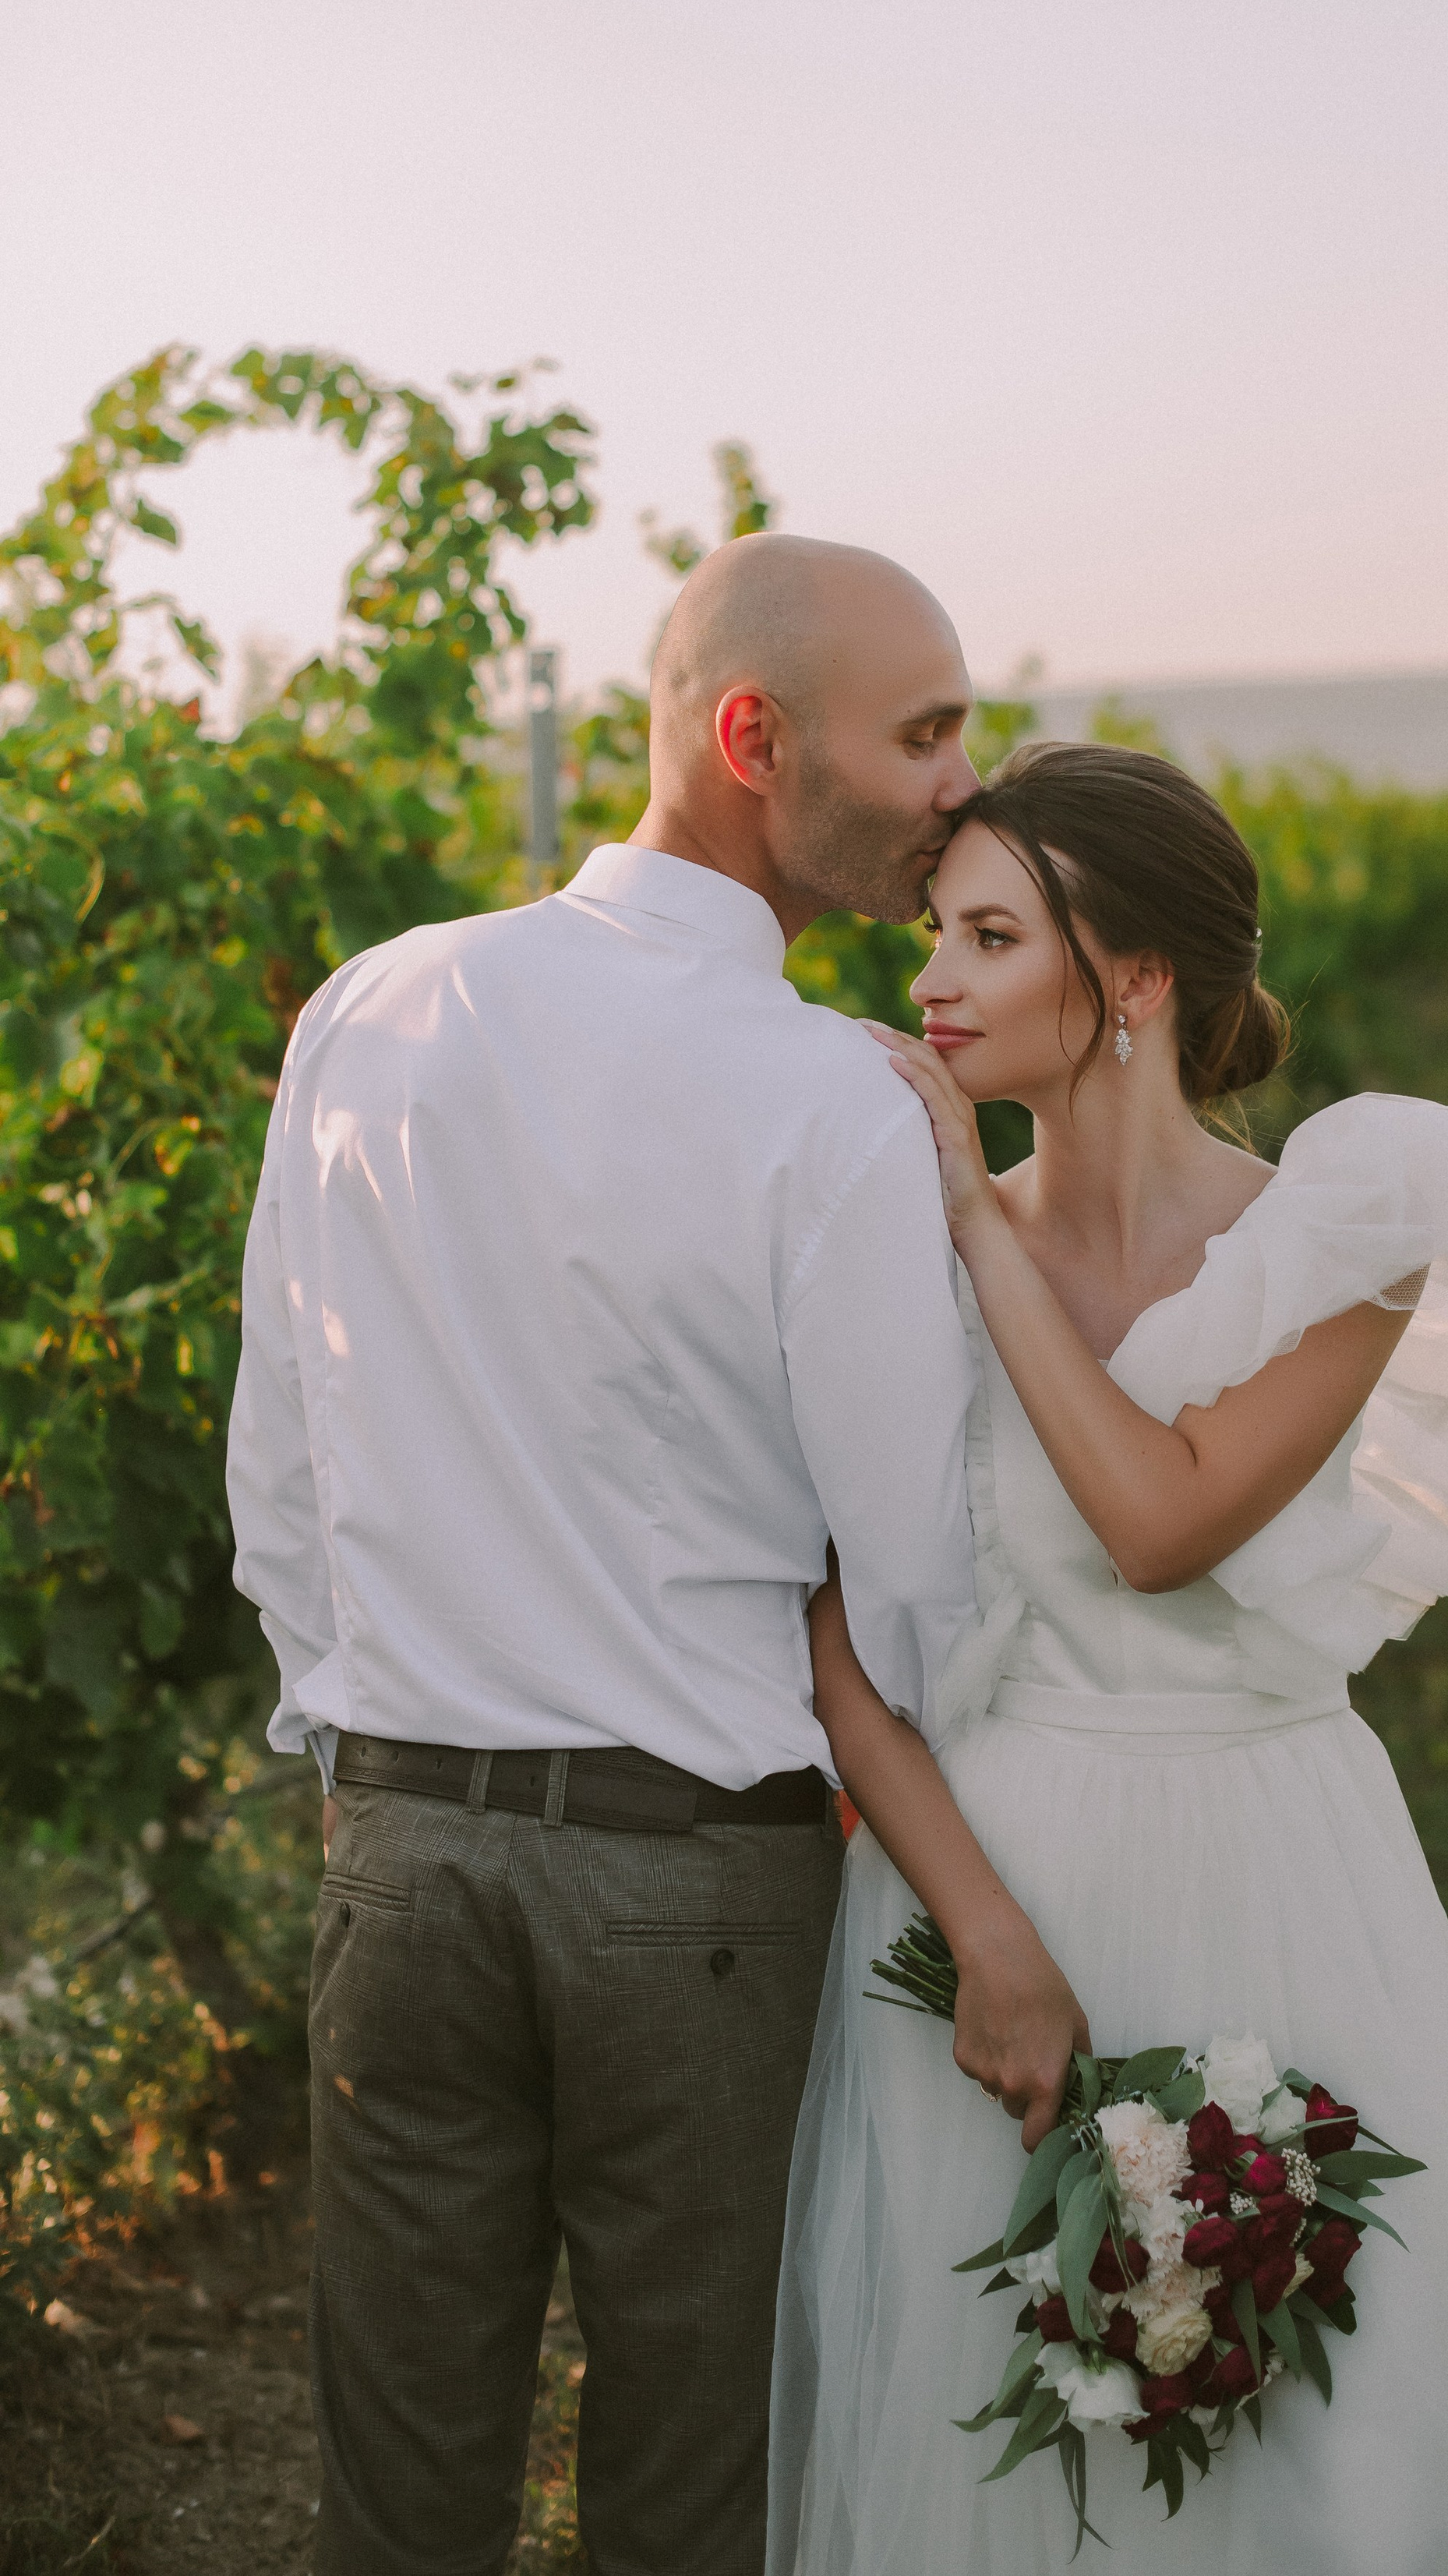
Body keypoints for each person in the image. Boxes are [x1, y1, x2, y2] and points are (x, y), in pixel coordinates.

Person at [226, 535, 1081, 2576]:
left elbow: (283, 1464)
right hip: (692, 1885)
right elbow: (908, 1571)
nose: (960, 784)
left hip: (406, 1859)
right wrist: (928, 1813)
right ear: (751, 736)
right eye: (925, 732)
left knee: (397, 2491)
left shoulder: (376, 1007)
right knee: (691, 2490)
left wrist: (372, 1760)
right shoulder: (830, 1102)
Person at [768, 740, 1448, 2574]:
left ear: (1128, 979)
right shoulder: (881, 1244)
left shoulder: (1339, 1236)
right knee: (1006, 2439)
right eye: (930, 939)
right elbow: (830, 1645)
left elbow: (1158, 1520)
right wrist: (988, 1936)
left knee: (1324, 2412)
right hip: (992, 1872)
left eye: (984, 937)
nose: (928, 985)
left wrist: (976, 1220)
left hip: (1277, 1864)